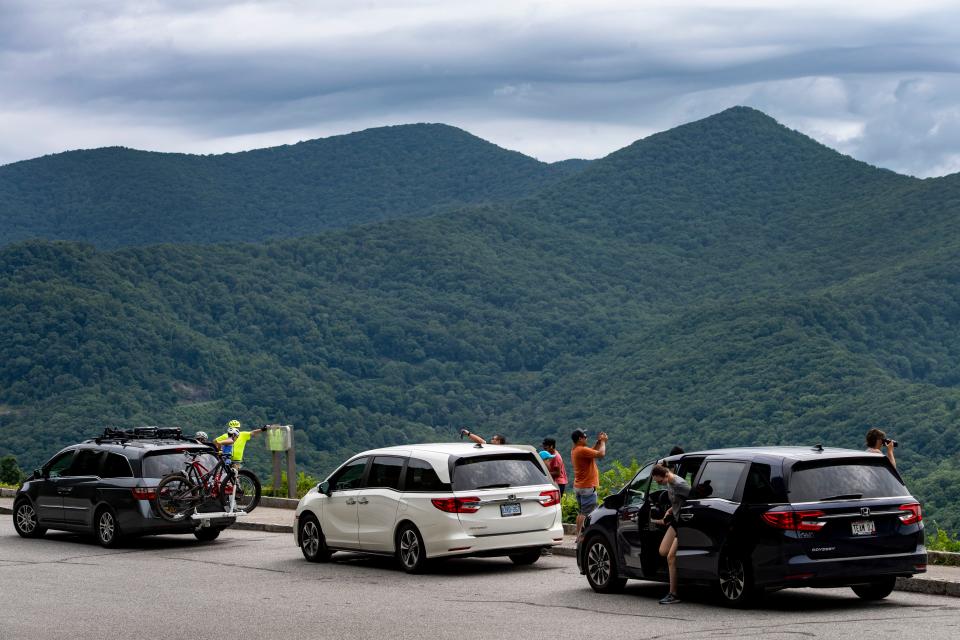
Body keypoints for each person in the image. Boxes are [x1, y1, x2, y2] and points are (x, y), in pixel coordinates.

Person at [651, 463, 690, 605]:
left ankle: (673, 593)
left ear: (666, 475)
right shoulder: (669, 483)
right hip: (675, 519)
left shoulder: (680, 484)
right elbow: (676, 501)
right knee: (663, 550)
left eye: (659, 481)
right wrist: (670, 510)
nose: (659, 484)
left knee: (671, 557)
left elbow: (692, 499)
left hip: (684, 522)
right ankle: (681, 573)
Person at [214, 420, 273, 512]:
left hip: (234, 460)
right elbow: (216, 442)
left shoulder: (240, 434)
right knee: (229, 478)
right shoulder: (228, 436)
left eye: (236, 428)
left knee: (233, 478)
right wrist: (218, 451)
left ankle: (233, 498)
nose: (236, 430)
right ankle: (228, 497)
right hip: (227, 459)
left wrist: (262, 429)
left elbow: (253, 432)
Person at [571, 428, 607, 542]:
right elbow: (601, 454)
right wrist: (603, 442)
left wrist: (598, 442)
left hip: (579, 486)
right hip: (587, 486)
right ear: (580, 439)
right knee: (587, 513)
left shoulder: (576, 450)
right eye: (585, 437)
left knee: (581, 512)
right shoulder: (581, 450)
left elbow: (591, 452)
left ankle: (578, 535)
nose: (586, 438)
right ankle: (582, 536)